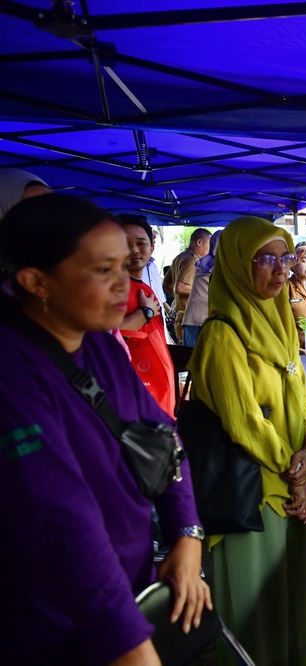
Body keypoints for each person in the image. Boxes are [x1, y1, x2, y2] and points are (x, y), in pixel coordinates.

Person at [0, 193, 209, 664]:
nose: (124, 285)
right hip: (52, 622)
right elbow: (61, 520)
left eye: (124, 266)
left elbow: (162, 436)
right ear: (36, 282)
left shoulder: (97, 342)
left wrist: (187, 534)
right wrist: (130, 645)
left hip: (125, 589)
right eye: (102, 270)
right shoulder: (12, 372)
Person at [187, 216, 306, 665]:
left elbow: (300, 398)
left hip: (290, 484)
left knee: (293, 603)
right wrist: (295, 473)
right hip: (253, 494)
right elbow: (244, 423)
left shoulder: (282, 321)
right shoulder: (221, 334)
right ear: (237, 265)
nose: (280, 270)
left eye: (284, 257)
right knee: (255, 619)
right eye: (265, 259)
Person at [120, 215, 176, 416]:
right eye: (126, 244)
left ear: (152, 246)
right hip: (137, 395)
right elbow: (110, 334)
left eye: (140, 243)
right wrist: (145, 312)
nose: (134, 249)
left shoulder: (142, 286)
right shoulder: (114, 290)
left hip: (157, 390)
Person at [165, 229, 211, 344]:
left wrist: (179, 297)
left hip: (181, 316)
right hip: (189, 318)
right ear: (199, 242)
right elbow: (180, 287)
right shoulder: (193, 260)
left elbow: (166, 285)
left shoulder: (179, 257)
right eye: (209, 244)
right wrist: (202, 292)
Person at [181, 229, 221, 347]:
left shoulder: (203, 262)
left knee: (190, 358)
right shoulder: (220, 266)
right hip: (206, 320)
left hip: (192, 318)